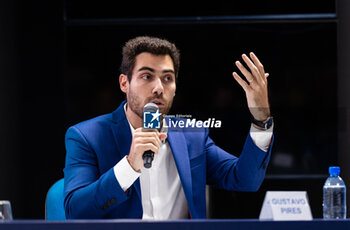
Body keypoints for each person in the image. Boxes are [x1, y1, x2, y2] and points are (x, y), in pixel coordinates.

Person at [63, 36, 274, 219]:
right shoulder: (86, 136)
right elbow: (75, 211)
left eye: (167, 78)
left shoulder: (192, 136)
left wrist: (260, 117)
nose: (158, 88)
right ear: (124, 83)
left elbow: (246, 180)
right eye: (147, 76)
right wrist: (129, 166)